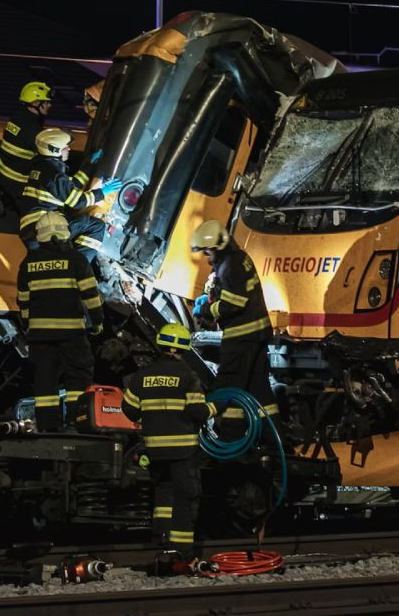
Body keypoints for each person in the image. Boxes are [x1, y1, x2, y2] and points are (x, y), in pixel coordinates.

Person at [121, 323, 214, 560]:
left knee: (163, 492)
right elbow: (197, 412)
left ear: (161, 345)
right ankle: (181, 551)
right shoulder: (188, 377)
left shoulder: (142, 377)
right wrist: (215, 407)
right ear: (183, 348)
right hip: (182, 449)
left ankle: (160, 540)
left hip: (154, 449)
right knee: (186, 496)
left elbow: (129, 411)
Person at [189, 220, 281, 440]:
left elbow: (233, 303)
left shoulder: (230, 265)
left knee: (227, 386)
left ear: (216, 247)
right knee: (258, 390)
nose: (206, 256)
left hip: (241, 338)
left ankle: (229, 438)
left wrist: (208, 309)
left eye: (206, 251)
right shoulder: (238, 259)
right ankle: (273, 438)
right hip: (256, 336)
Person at [16, 210, 105, 432]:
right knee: (78, 378)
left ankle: (49, 428)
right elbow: (91, 296)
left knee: (45, 383)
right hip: (71, 334)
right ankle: (78, 423)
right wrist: (97, 321)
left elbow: (23, 301)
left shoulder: (28, 264)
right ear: (65, 232)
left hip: (40, 337)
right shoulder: (76, 259)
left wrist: (28, 325)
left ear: (40, 235)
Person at [20, 128, 122, 263]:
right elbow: (77, 200)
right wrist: (102, 192)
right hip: (46, 230)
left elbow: (71, 186)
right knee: (96, 226)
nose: (69, 149)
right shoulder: (53, 174)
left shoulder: (43, 167)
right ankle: (78, 267)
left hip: (34, 231)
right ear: (54, 150)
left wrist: (90, 166)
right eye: (65, 147)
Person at [0, 81, 52, 212]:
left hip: (3, 173)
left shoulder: (17, 118)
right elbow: (48, 152)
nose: (49, 105)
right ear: (36, 104)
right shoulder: (32, 128)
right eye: (46, 102)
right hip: (19, 181)